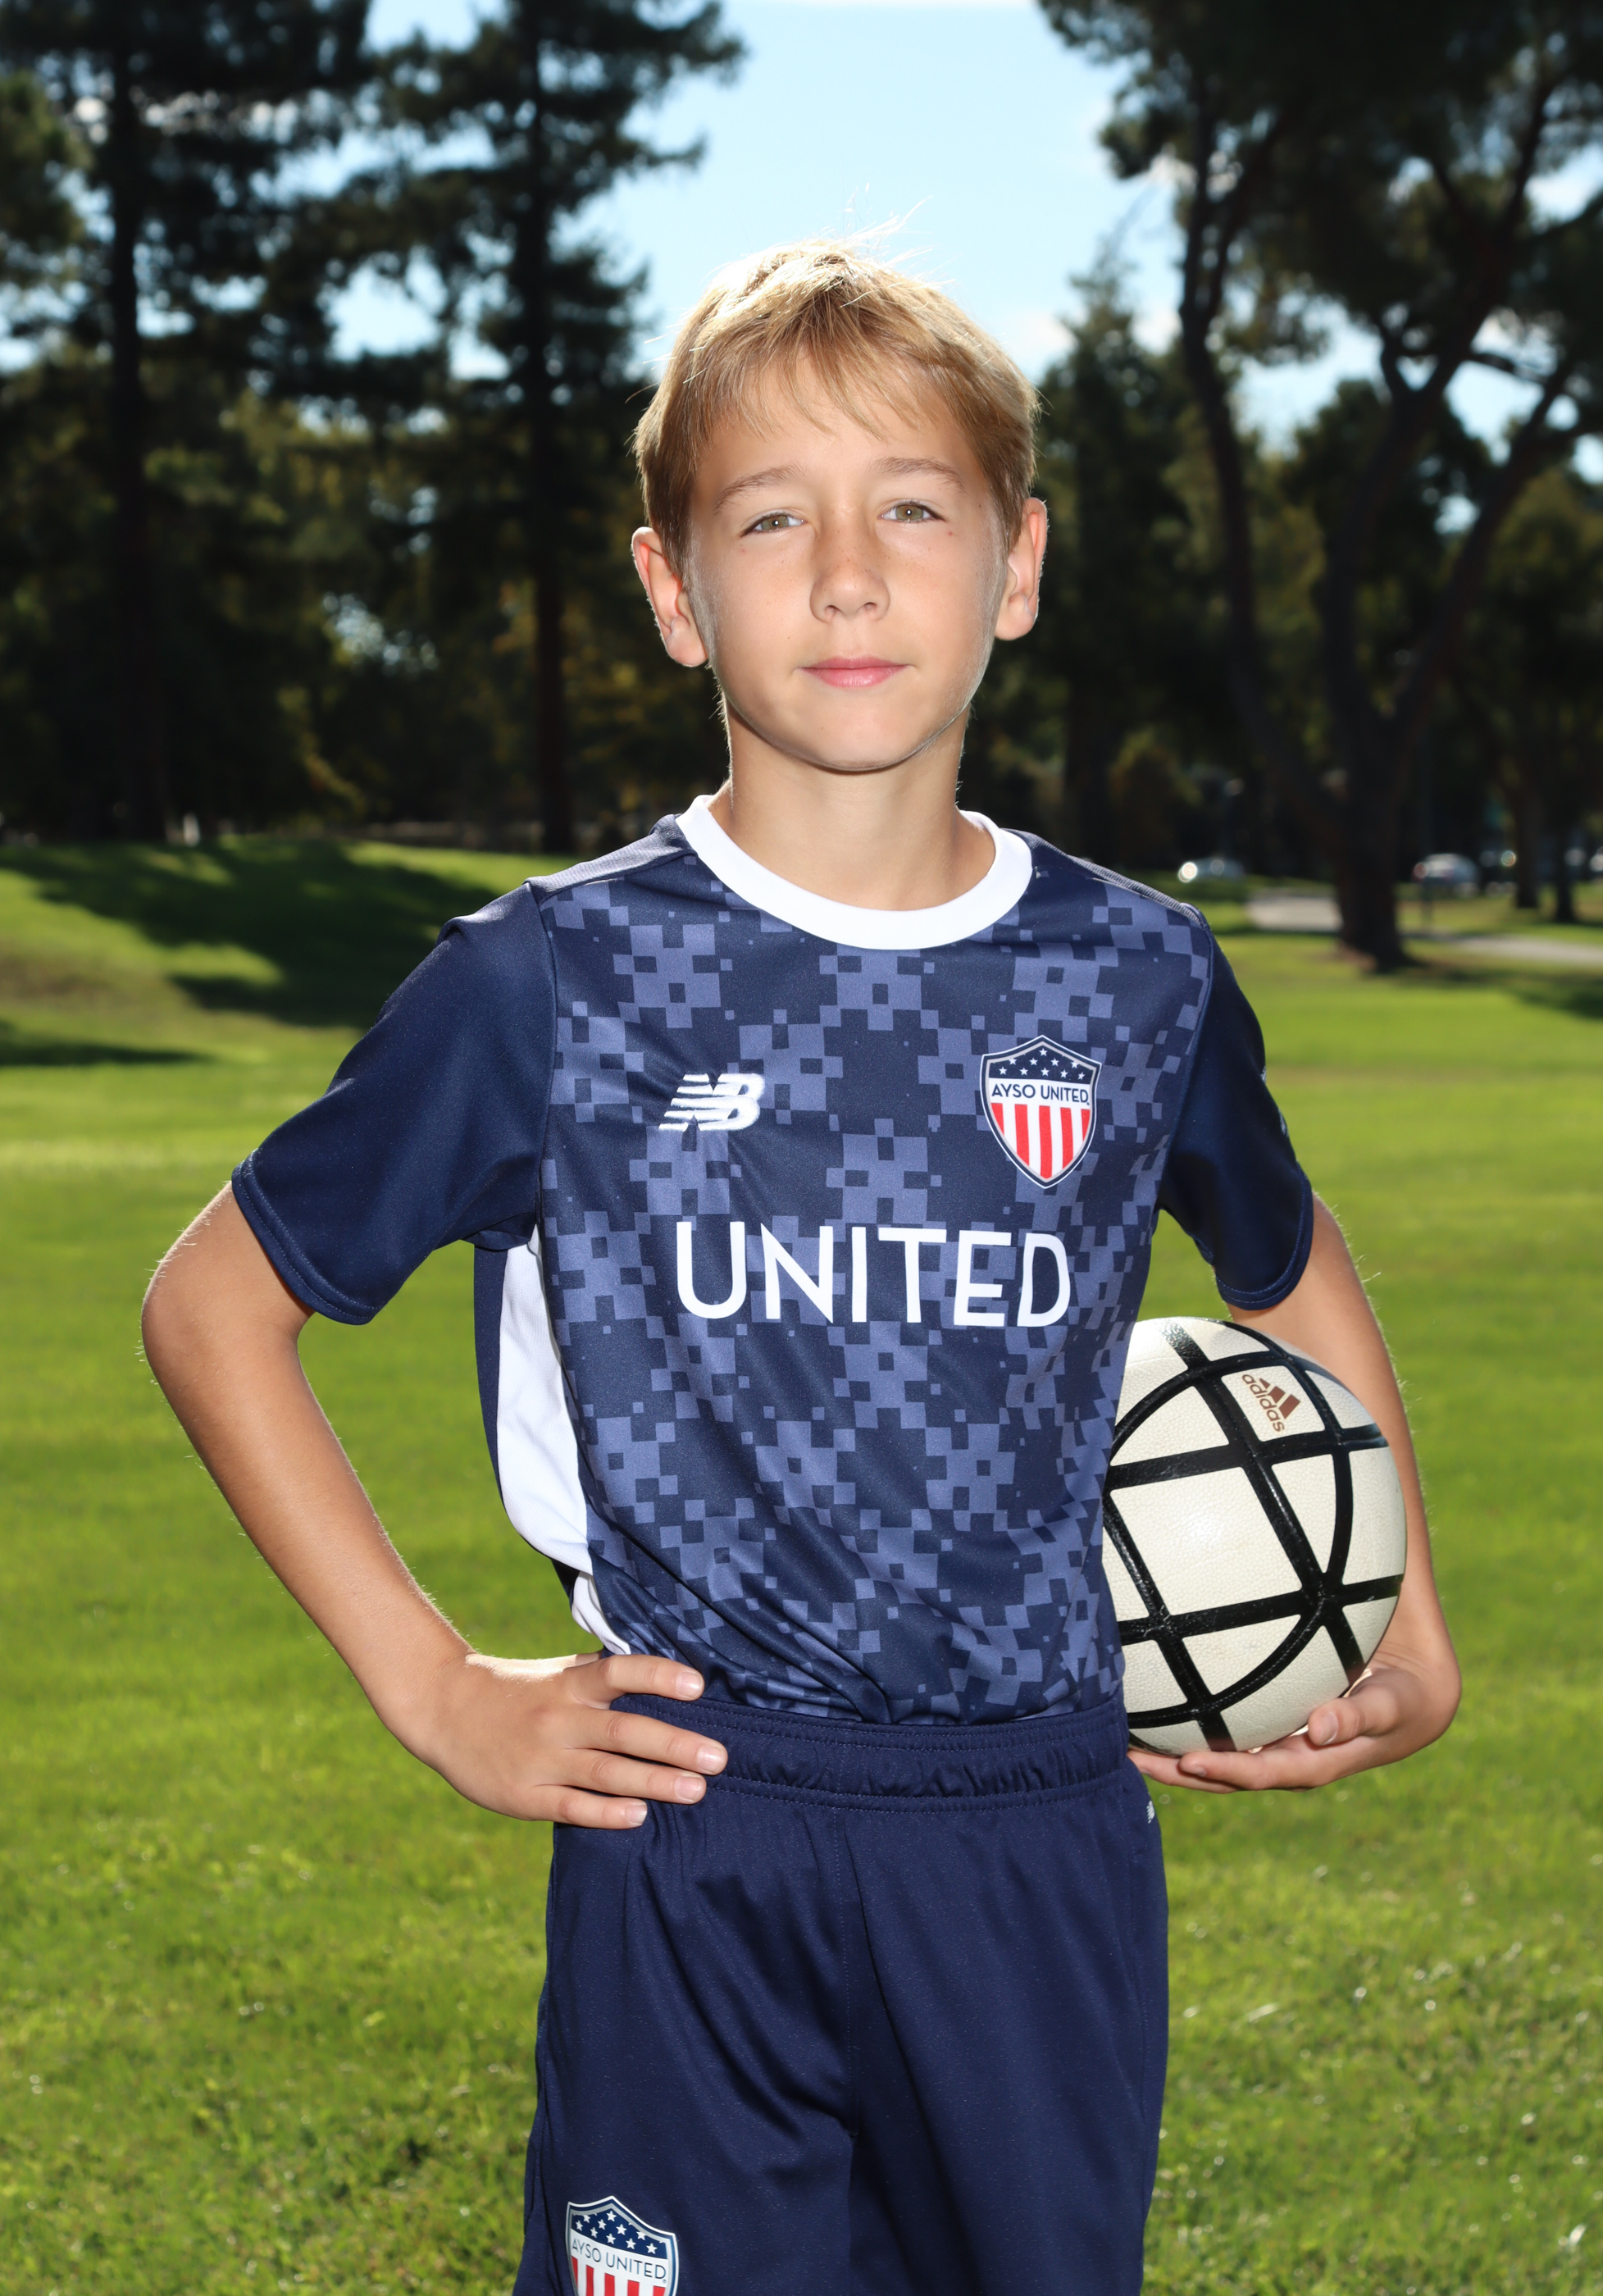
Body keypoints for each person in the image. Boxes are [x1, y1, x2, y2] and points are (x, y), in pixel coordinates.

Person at [143, 240, 1460, 2296]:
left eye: (912, 507)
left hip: (1040, 1828)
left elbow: (1281, 1264)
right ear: (674, 590)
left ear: (1016, 564)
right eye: (771, 518)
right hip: (702, 1819)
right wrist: (434, 1683)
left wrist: (1404, 1613)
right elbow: (217, 1302)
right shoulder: (554, 978)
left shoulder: (1136, 974)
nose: (848, 575)